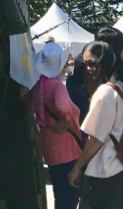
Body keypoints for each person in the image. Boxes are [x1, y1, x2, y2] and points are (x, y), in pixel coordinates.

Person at [26, 41, 82, 209]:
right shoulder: (57, 85)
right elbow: (62, 106)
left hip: (48, 145)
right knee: (69, 196)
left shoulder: (39, 85)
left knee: (59, 190)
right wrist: (65, 120)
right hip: (65, 148)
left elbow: (28, 104)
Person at [68, 41, 123, 207]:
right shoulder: (119, 87)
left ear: (104, 62)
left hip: (108, 169)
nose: (88, 68)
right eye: (85, 64)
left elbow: (96, 138)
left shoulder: (106, 91)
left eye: (92, 63)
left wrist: (77, 167)